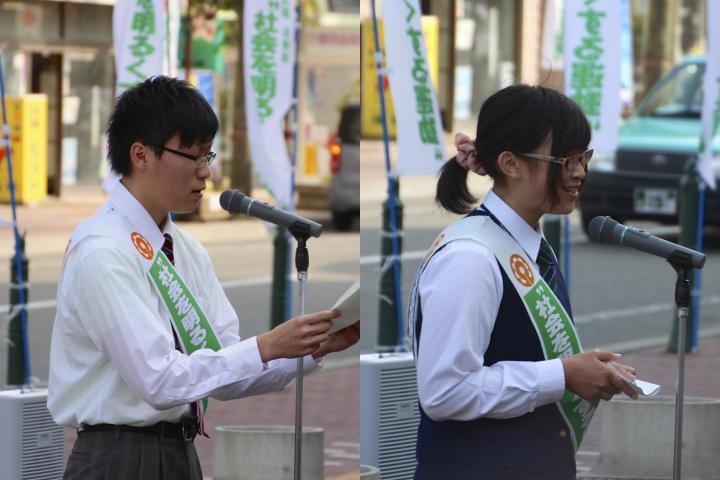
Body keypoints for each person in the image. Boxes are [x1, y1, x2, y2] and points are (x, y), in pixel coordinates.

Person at [48, 76, 359, 480]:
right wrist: (266, 345)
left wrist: (314, 347)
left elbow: (223, 369)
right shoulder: (102, 250)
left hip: (181, 450)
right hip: (117, 456)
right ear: (140, 154)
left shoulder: (185, 249)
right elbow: (158, 380)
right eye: (193, 157)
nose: (206, 171)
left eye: (208, 155)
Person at [407, 85, 638, 480]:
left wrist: (580, 368)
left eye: (584, 157)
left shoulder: (527, 243)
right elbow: (445, 392)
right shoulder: (471, 258)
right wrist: (563, 374)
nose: (579, 172)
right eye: (565, 159)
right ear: (510, 164)